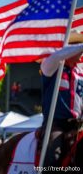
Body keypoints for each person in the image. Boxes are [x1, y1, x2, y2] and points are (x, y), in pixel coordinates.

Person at [39, 31, 83, 166]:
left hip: (78, 124)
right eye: (75, 46)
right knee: (53, 154)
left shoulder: (80, 74)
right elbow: (57, 56)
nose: (79, 50)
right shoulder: (51, 67)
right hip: (56, 124)